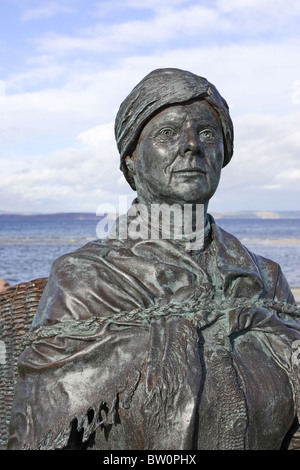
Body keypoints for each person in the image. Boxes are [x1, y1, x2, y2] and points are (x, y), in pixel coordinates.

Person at [8, 68, 300, 450]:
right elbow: (38, 434)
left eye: (208, 133)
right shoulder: (85, 280)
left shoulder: (265, 278)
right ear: (132, 159)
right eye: (167, 133)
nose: (192, 145)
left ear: (222, 154)